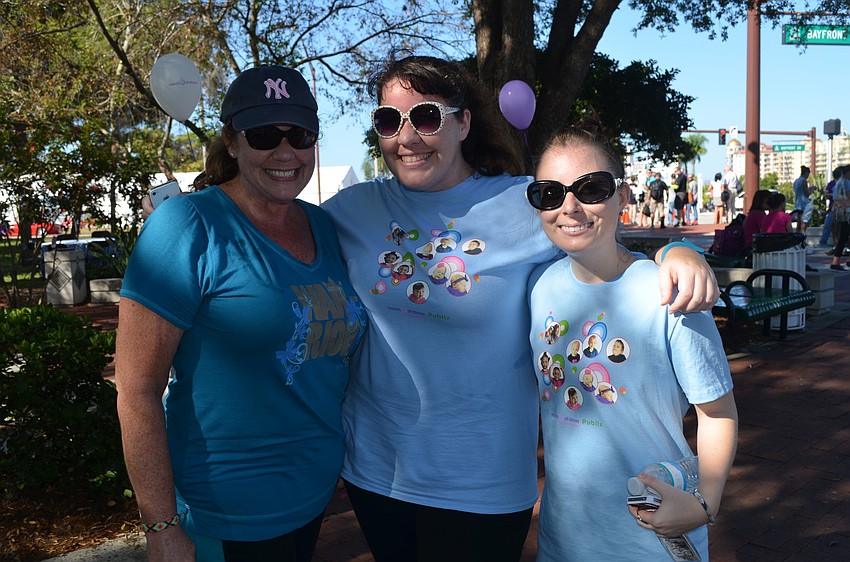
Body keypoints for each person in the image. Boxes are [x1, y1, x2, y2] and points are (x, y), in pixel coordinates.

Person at [320, 54, 718, 561]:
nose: (407, 136)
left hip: (484, 481)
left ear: (464, 123)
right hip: (377, 470)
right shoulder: (350, 209)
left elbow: (596, 235)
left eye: (426, 117)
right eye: (388, 120)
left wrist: (677, 251)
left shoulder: (525, 203)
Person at [115, 65, 367, 562]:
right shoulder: (187, 224)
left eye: (300, 135)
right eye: (264, 135)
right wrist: (161, 526)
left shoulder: (322, 223)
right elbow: (137, 390)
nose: (285, 152)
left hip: (311, 495)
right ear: (231, 142)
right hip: (223, 511)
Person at [526, 118, 738, 561]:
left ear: (622, 196)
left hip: (652, 540)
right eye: (549, 193)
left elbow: (717, 413)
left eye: (591, 189)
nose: (569, 207)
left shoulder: (670, 293)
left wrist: (707, 503)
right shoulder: (538, 286)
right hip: (563, 539)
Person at [829, 166, 850, 271]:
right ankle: (835, 261)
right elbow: (849, 196)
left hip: (840, 213)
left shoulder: (839, 182)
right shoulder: (846, 182)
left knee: (844, 236)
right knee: (844, 236)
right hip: (847, 213)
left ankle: (836, 261)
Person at [819, 167, 841, 248]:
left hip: (840, 207)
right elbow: (826, 194)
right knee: (828, 225)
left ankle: (838, 244)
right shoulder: (831, 183)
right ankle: (824, 242)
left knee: (838, 227)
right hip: (833, 207)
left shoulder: (843, 183)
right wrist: (832, 195)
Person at [792, 165, 813, 233]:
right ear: (806, 173)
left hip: (798, 204)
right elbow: (807, 194)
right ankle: (802, 236)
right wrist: (812, 189)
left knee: (798, 223)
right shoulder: (803, 181)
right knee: (804, 223)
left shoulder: (796, 181)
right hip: (804, 204)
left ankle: (797, 236)